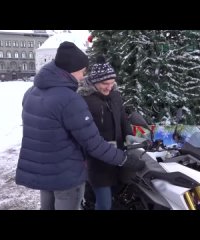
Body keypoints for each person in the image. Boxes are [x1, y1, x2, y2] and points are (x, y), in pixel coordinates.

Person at [15, 42, 145, 210]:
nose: (84, 76)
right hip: (66, 172)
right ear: (72, 69)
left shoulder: (32, 92)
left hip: (43, 170)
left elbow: (39, 128)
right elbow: (93, 143)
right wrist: (125, 159)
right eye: (83, 70)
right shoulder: (70, 99)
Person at [78, 56, 133, 210]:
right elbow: (83, 134)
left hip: (118, 157)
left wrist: (130, 138)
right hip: (97, 162)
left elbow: (123, 119)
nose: (109, 87)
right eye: (104, 83)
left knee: (116, 198)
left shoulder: (115, 96)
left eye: (111, 83)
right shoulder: (85, 100)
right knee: (104, 204)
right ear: (94, 82)